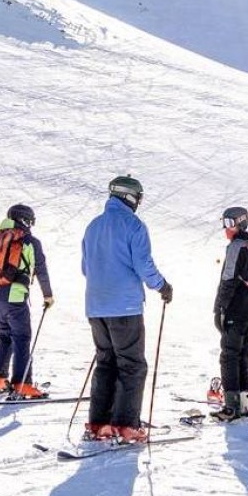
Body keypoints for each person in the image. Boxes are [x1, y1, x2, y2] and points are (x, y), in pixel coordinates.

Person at [80, 175, 173, 443]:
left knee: (106, 362)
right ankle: (125, 425)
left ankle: (100, 423)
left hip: (96, 308)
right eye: (139, 197)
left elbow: (85, 268)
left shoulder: (93, 226)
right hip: (125, 307)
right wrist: (162, 286)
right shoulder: (133, 225)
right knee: (131, 364)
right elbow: (143, 265)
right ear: (130, 196)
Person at [0, 204, 54, 399]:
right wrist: (48, 295)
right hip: (14, 297)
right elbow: (41, 270)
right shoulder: (30, 242)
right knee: (21, 338)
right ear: (25, 220)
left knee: (4, 335)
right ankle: (23, 384)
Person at [212, 206, 248, 421]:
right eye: (224, 223)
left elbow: (228, 279)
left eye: (230, 223)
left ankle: (232, 406)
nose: (227, 228)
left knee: (229, 355)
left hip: (236, 306)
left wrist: (219, 307)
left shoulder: (236, 246)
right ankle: (244, 402)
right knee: (242, 355)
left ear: (241, 223)